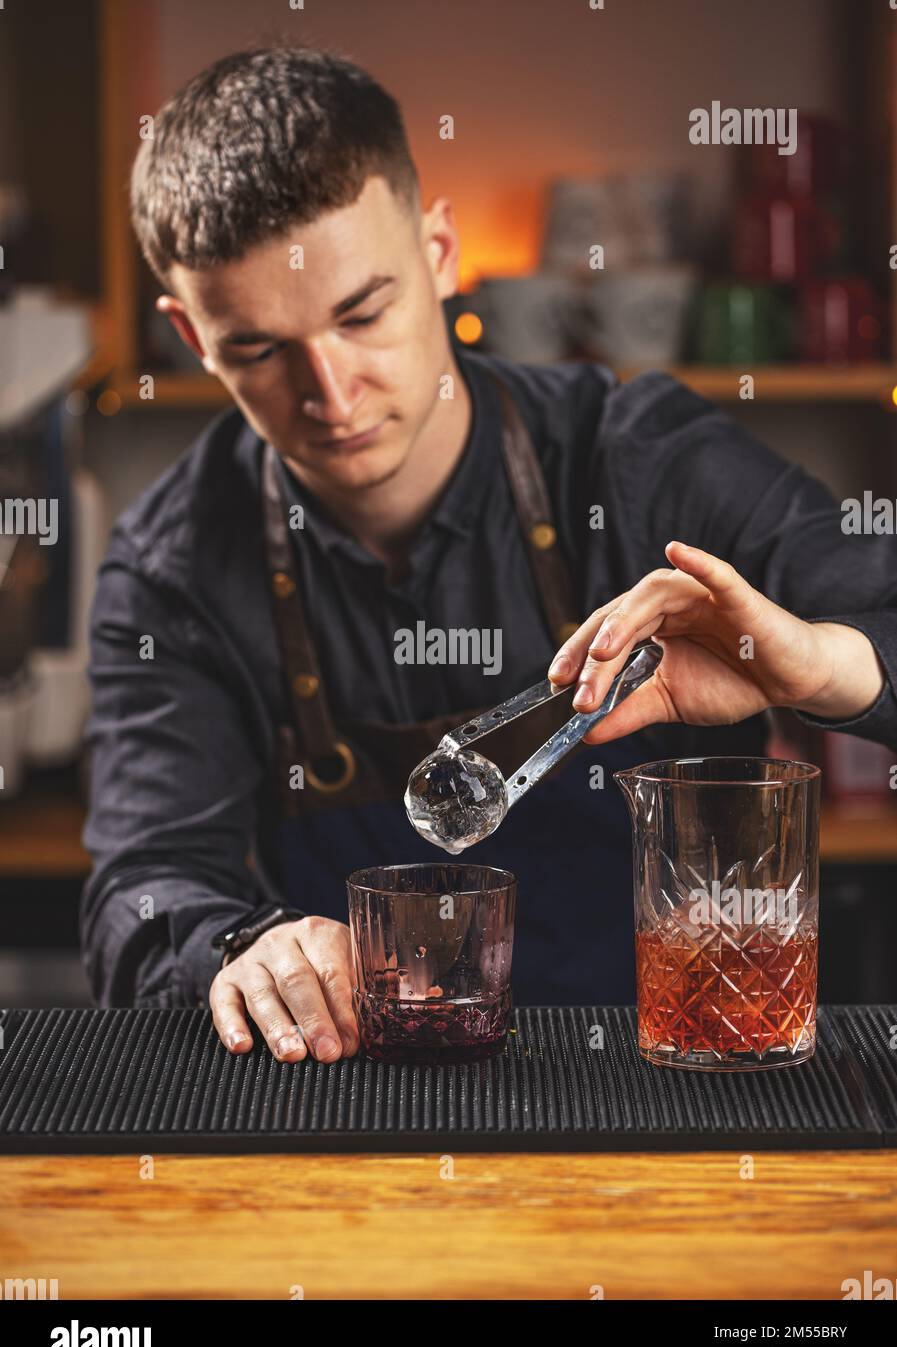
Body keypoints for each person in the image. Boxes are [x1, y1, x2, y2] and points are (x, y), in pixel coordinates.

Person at [81, 45, 897, 1064]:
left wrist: (820, 664)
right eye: (258, 348)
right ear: (190, 337)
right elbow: (142, 888)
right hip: (372, 1102)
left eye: (363, 313)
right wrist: (244, 949)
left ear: (439, 252)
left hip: (671, 1084)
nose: (333, 396)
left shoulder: (637, 456)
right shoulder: (175, 568)